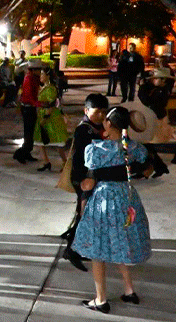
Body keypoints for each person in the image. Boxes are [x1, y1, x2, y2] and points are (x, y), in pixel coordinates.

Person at [72, 106, 152, 314]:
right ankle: (129, 290)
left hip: (104, 200)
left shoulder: (97, 149)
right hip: (128, 197)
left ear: (108, 124)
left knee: (98, 250)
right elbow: (147, 169)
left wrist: (83, 198)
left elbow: (88, 182)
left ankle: (100, 299)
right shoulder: (133, 148)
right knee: (120, 242)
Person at [61, 93, 108, 272]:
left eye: (105, 112)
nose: (102, 116)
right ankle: (72, 249)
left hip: (90, 178)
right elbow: (83, 158)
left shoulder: (98, 127)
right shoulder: (85, 129)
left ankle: (74, 245)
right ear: (86, 110)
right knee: (85, 213)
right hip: (83, 178)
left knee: (84, 212)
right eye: (98, 112)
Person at [137, 68, 173, 178]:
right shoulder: (158, 89)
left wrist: (142, 87)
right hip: (151, 119)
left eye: (156, 78)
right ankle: (156, 167)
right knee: (145, 145)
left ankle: (154, 167)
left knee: (145, 145)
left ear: (164, 80)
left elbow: (146, 100)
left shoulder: (161, 91)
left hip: (155, 121)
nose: (153, 80)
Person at [34, 67, 69, 172]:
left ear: (47, 76)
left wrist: (45, 118)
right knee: (41, 141)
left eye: (42, 74)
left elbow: (51, 105)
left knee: (57, 143)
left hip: (51, 118)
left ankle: (65, 163)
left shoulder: (50, 89)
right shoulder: (46, 87)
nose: (40, 76)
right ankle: (46, 162)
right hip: (43, 115)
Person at [13, 60, 43, 163]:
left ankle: (26, 152)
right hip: (27, 107)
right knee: (29, 132)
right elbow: (29, 96)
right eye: (39, 69)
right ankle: (20, 153)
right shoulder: (29, 79)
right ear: (34, 70)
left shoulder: (33, 78)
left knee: (30, 132)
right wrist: (39, 104)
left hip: (29, 107)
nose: (40, 71)